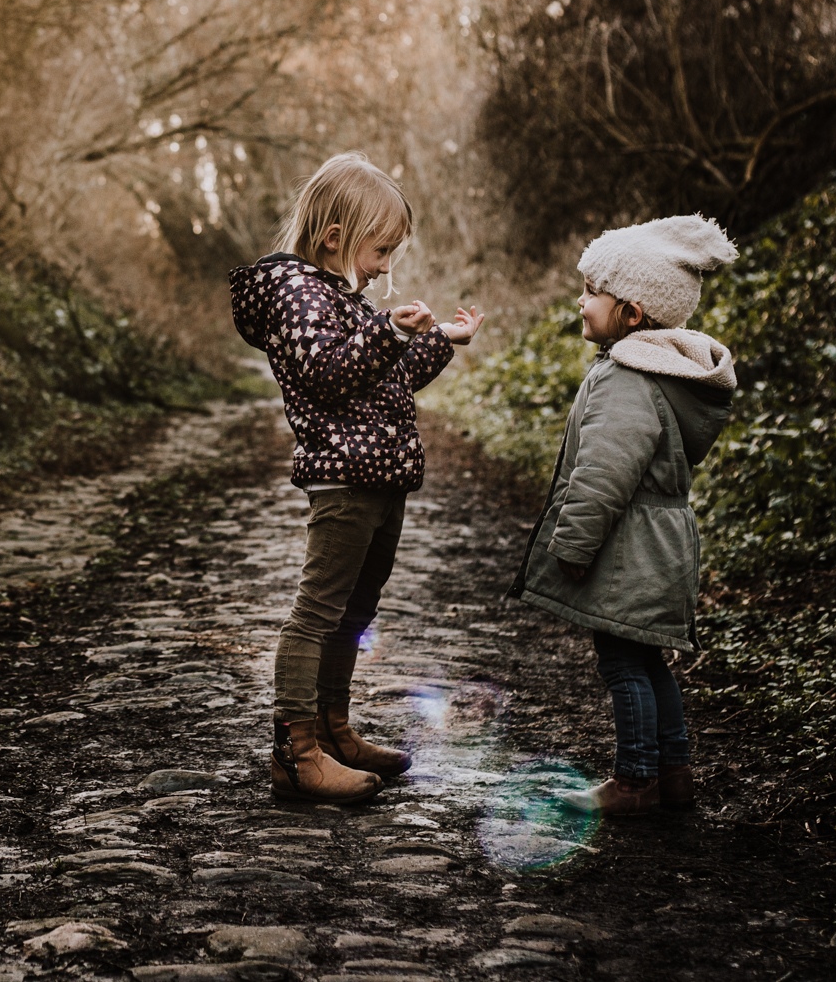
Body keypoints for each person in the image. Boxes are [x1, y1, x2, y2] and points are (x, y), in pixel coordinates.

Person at [229, 153, 484, 803]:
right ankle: (298, 748)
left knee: (354, 612)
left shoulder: (342, 298)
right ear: (335, 238)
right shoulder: (295, 295)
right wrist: (388, 335)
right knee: (318, 612)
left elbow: (382, 377)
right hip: (343, 481)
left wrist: (440, 340)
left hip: (381, 478)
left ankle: (335, 729)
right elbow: (326, 374)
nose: (386, 268)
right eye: (381, 250)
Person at [509, 214, 739, 816]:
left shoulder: (628, 378)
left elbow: (604, 474)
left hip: (628, 547)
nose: (580, 303)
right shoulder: (662, 374)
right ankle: (673, 772)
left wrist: (573, 544)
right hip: (660, 541)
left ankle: (635, 781)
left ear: (632, 313)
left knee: (621, 663)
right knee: (645, 658)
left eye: (592, 293)